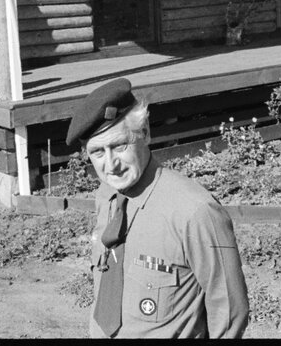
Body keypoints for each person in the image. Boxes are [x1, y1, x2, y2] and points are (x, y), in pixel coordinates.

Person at [66, 77, 250, 338]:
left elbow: (230, 312)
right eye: (98, 152)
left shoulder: (194, 212)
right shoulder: (106, 195)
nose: (111, 165)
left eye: (119, 146)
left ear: (145, 133)